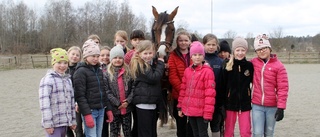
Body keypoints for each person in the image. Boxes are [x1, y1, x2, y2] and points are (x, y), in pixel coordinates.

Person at [73, 39, 114, 137]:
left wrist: (108, 109)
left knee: (98, 135)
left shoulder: (99, 71)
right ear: (86, 56)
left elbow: (103, 91)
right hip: (90, 111)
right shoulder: (80, 72)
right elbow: (80, 95)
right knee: (91, 135)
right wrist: (87, 114)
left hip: (101, 109)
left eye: (97, 56)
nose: (95, 59)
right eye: (93, 56)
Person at [251, 34, 289, 137]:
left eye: (264, 48)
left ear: (269, 48)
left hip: (272, 106)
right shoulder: (253, 63)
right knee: (257, 133)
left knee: (269, 132)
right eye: (259, 49)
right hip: (257, 105)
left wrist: (281, 107)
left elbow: (283, 88)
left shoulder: (279, 66)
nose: (262, 51)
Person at [177, 41, 216, 137]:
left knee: (202, 133)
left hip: (201, 111)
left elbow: (210, 94)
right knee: (194, 132)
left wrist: (208, 113)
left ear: (203, 56)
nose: (197, 57)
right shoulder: (187, 71)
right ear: (191, 56)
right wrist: (180, 106)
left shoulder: (207, 72)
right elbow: (183, 90)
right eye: (194, 54)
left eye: (200, 54)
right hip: (190, 109)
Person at [129, 40, 165, 137]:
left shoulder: (149, 64)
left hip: (150, 103)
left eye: (150, 53)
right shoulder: (141, 65)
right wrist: (161, 62)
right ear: (139, 53)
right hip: (144, 104)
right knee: (145, 133)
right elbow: (154, 77)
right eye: (145, 53)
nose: (148, 56)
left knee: (152, 132)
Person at [39, 48, 77, 137]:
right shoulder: (47, 80)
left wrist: (72, 120)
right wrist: (47, 123)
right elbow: (45, 104)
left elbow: (71, 101)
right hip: (53, 123)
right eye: (59, 62)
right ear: (53, 63)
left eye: (65, 63)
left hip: (64, 123)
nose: (62, 65)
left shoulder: (67, 80)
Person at [221, 37, 253, 137]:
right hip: (230, 104)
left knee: (245, 131)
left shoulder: (249, 66)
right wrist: (223, 103)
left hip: (245, 104)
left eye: (242, 50)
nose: (240, 53)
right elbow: (223, 85)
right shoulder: (227, 65)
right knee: (228, 131)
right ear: (233, 51)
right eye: (237, 50)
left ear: (246, 51)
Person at [168, 30, 194, 137]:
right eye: (180, 40)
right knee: (181, 123)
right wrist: (183, 90)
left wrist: (191, 90)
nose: (183, 43)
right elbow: (172, 76)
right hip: (179, 95)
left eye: (185, 40)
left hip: (194, 94)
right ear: (177, 42)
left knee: (192, 124)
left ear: (189, 41)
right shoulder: (173, 55)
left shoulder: (195, 54)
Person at [106, 45, 134, 137]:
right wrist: (117, 103)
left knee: (127, 132)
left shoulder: (129, 72)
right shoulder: (107, 73)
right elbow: (107, 91)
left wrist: (128, 101)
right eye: (115, 57)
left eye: (120, 58)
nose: (117, 60)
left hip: (127, 108)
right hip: (115, 109)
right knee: (114, 132)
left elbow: (133, 88)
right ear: (111, 59)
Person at [202, 33, 224, 137]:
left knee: (216, 126)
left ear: (217, 46)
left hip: (217, 102)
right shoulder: (199, 60)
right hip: (202, 102)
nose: (211, 47)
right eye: (208, 44)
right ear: (204, 45)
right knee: (202, 128)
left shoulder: (221, 62)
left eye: (213, 45)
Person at [66, 46, 83, 137]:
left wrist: (77, 102)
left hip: (76, 102)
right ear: (68, 54)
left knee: (78, 126)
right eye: (73, 54)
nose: (74, 56)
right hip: (66, 102)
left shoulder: (80, 69)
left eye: (77, 55)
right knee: (67, 128)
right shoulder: (63, 68)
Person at [99, 45, 112, 137]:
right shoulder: (97, 68)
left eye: (108, 55)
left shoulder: (113, 67)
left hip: (112, 100)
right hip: (102, 100)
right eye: (102, 55)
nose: (105, 57)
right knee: (102, 126)